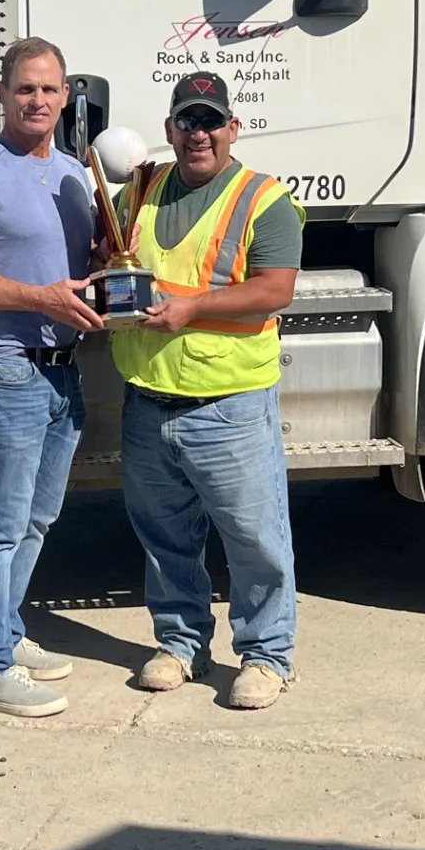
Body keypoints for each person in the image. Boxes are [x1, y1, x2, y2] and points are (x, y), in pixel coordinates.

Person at [112, 71, 304, 710]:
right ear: (170, 130)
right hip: (148, 398)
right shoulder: (139, 190)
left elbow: (276, 289)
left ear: (232, 129)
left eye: (211, 121)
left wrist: (191, 308)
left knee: (254, 540)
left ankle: (267, 656)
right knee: (165, 538)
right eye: (188, 121)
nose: (200, 133)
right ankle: (181, 644)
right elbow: (113, 258)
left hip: (229, 405)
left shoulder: (263, 200)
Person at [0, 37, 102, 718]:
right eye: (25, 88)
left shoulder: (72, 174)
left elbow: (82, 262)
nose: (38, 100)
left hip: (61, 371)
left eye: (49, 89)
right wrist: (41, 300)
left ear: (66, 98)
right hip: (5, 369)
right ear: (1, 94)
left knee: (36, 519)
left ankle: (4, 632)